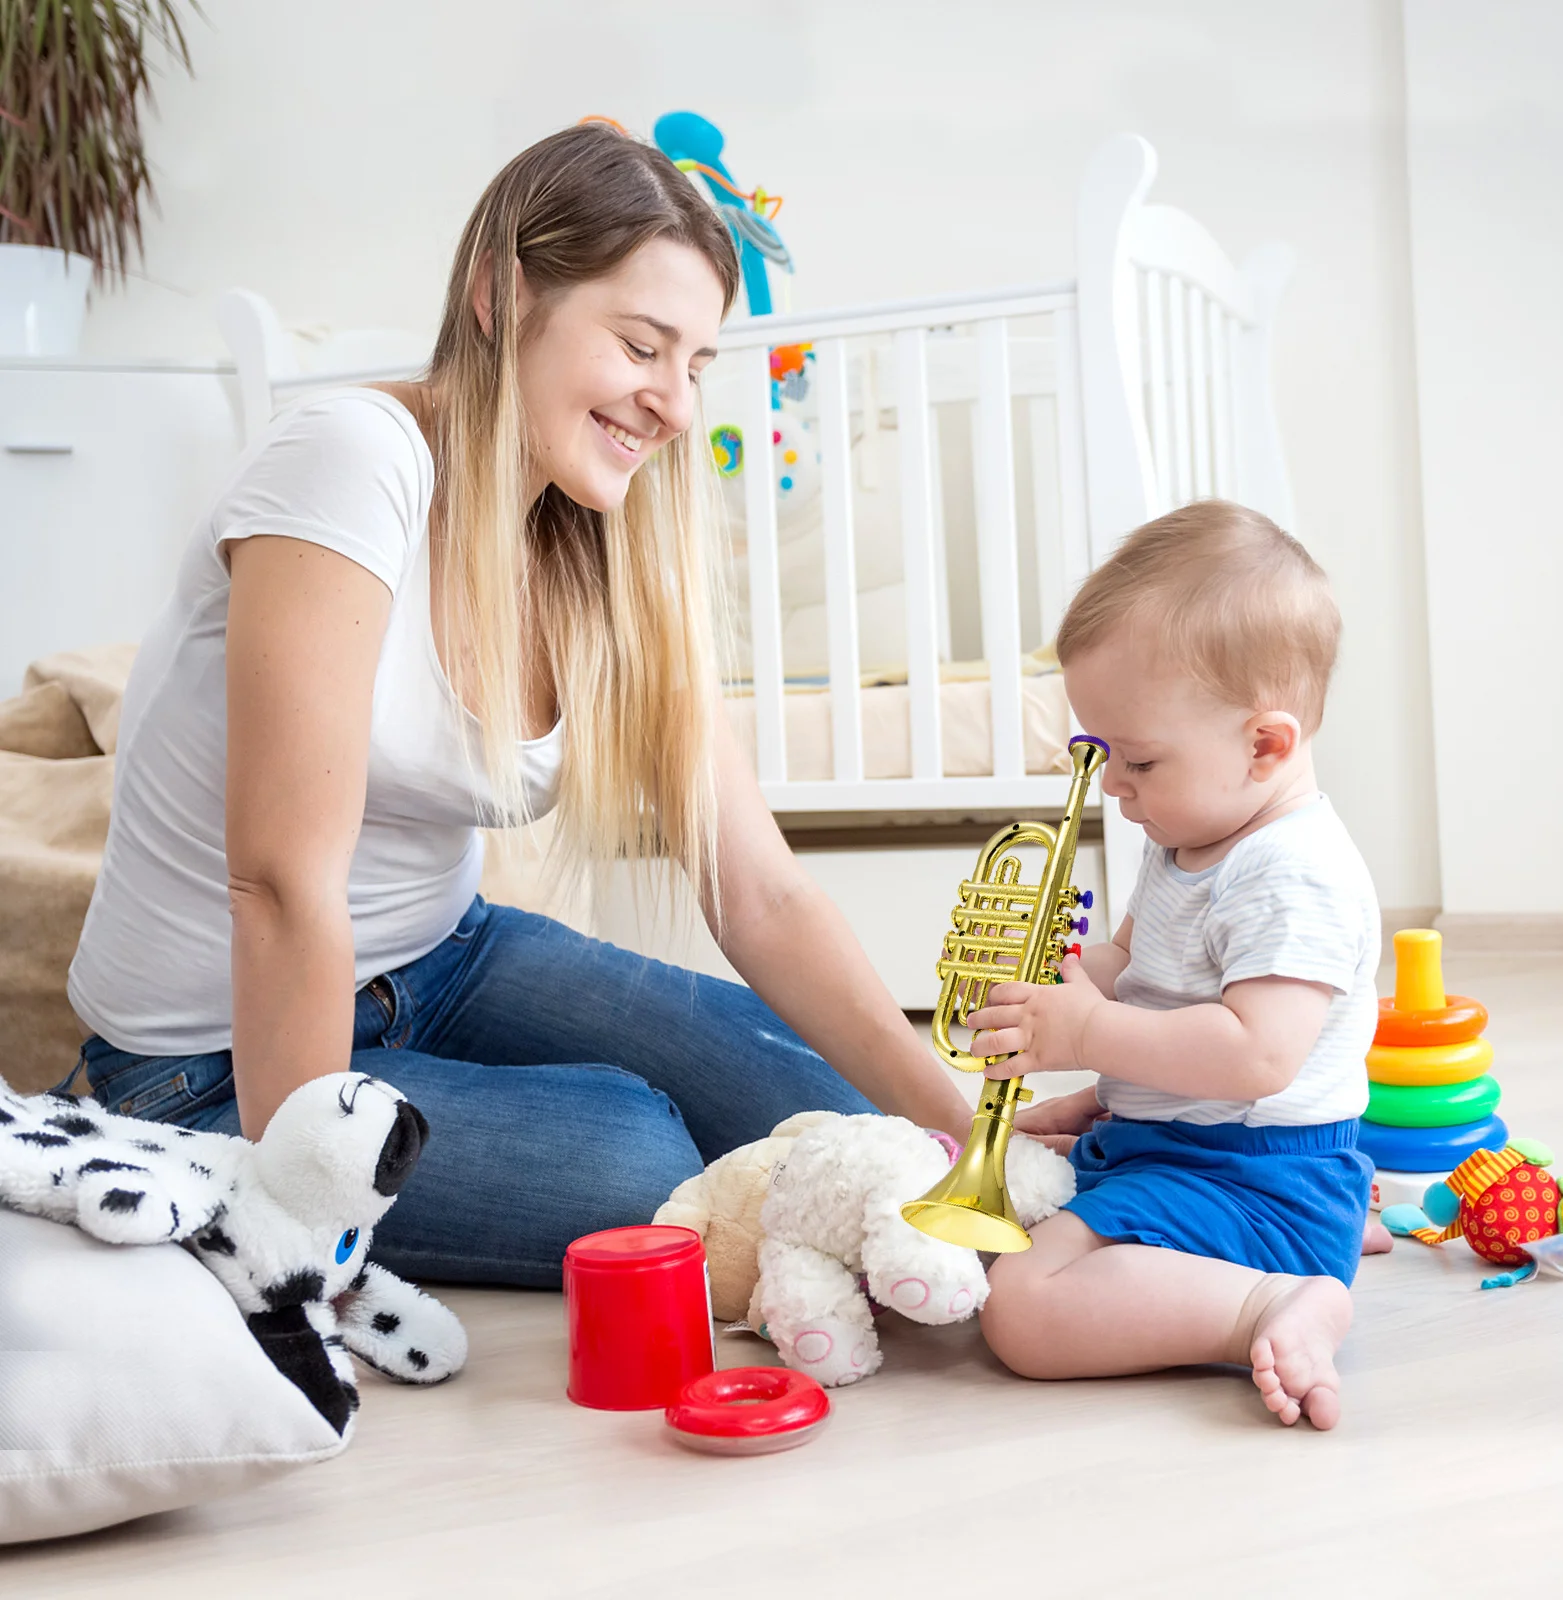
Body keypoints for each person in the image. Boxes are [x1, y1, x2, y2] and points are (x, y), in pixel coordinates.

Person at [63, 123, 971, 1288]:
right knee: (634, 1149)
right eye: (643, 345)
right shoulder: (351, 458)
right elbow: (280, 884)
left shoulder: (600, 543)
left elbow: (758, 887)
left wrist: (970, 1134)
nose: (675, 405)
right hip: (209, 1061)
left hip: (447, 958)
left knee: (843, 1110)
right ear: (501, 294)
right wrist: (296, 1209)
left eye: (695, 363)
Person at [971, 501, 1379, 1430]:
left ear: (1265, 744)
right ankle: (1284, 1255)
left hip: (1256, 1174)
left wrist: (1087, 1032)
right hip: (1185, 1144)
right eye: (1104, 755)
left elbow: (1255, 1055)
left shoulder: (1291, 873)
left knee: (1022, 1310)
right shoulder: (1193, 834)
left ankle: (1266, 1305)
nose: (1113, 786)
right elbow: (1140, 963)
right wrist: (1078, 979)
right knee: (1007, 1196)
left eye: (1139, 760)